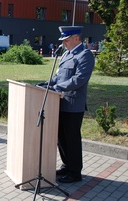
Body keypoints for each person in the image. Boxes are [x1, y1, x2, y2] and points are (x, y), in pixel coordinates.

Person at [36, 26, 95, 183]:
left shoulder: (85, 55)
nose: (64, 43)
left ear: (77, 38)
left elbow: (79, 79)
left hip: (73, 104)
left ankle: (75, 173)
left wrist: (57, 88)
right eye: (62, 40)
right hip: (58, 103)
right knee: (61, 138)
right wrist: (46, 84)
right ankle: (66, 166)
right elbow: (59, 77)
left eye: (66, 40)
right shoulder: (66, 54)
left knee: (71, 139)